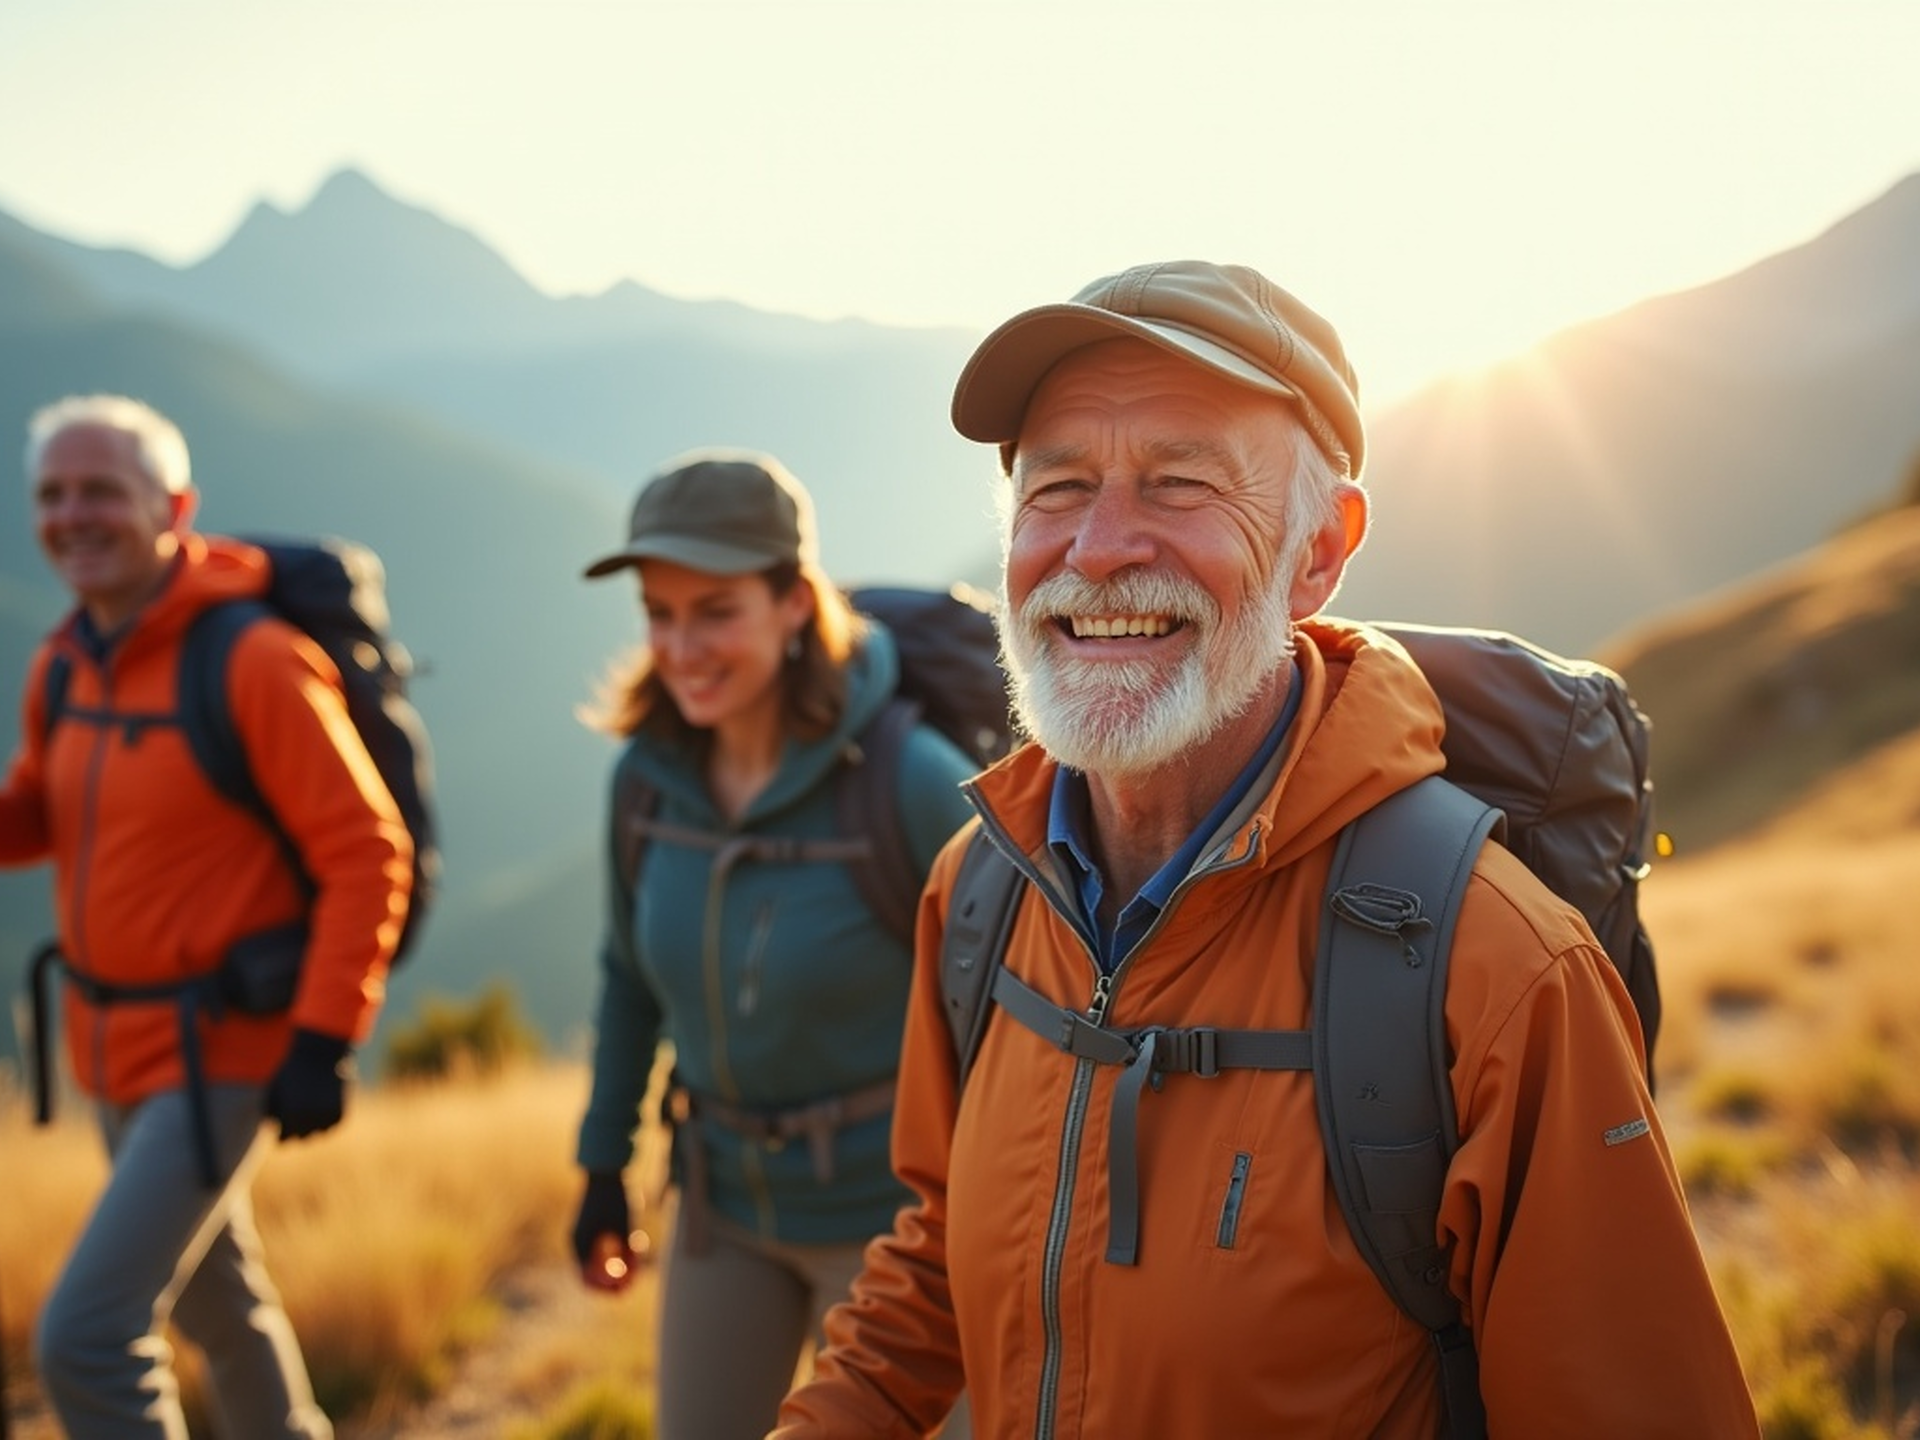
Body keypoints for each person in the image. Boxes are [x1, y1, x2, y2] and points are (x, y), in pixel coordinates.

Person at [771, 261, 1760, 1437]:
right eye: (1058, 487)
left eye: (1180, 483)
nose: (1094, 548)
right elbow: (940, 1254)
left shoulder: (1494, 970)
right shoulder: (983, 884)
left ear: (1320, 551)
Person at [2, 394, 413, 1438]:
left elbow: (367, 850)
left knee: (86, 1341)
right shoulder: (67, 660)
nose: (73, 515)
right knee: (219, 1305)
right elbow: (40, 813)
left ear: (175, 505)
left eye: (104, 490)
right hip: (111, 1049)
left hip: (217, 1052)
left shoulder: (253, 660)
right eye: (52, 493)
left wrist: (324, 1036)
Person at [569, 449, 979, 1440]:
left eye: (715, 611)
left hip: (901, 1235)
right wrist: (600, 1168)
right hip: (723, 1217)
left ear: (795, 602)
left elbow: (1013, 1010)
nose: (680, 646)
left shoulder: (911, 783)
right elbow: (631, 981)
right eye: (659, 615)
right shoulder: (645, 785)